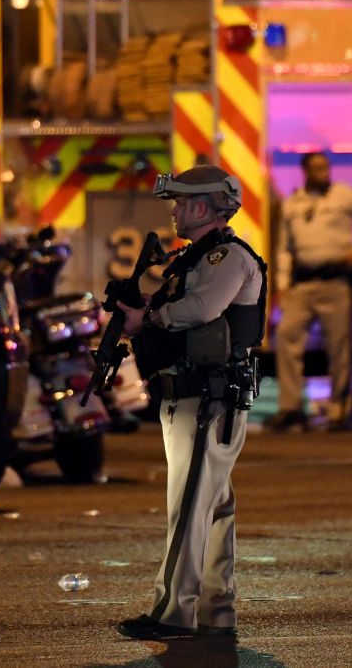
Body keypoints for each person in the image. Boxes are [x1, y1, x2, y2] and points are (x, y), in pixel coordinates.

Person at [115, 165, 267, 639]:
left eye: (182, 203)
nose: (176, 211)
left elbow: (203, 309)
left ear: (203, 207)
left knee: (188, 507)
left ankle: (172, 614)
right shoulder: (196, 258)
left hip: (207, 398)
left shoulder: (228, 257)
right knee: (213, 507)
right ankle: (215, 612)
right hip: (192, 394)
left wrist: (150, 318)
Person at [272, 152, 352, 432]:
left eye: (326, 168)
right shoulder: (293, 202)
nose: (324, 173)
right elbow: (284, 247)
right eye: (317, 169)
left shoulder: (343, 195)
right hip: (303, 282)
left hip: (336, 281)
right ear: (306, 172)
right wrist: (282, 283)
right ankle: (291, 407)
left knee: (339, 345)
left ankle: (339, 408)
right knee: (287, 337)